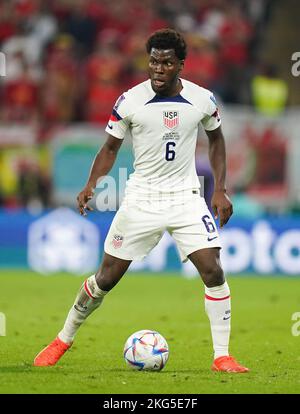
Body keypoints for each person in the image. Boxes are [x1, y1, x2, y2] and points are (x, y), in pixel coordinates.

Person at [34, 29, 249, 373]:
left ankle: (222, 356)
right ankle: (62, 339)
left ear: (180, 64)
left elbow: (217, 141)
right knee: (105, 278)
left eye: (166, 62)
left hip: (186, 197)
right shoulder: (129, 101)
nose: (158, 68)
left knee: (213, 269)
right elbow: (109, 148)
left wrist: (219, 189)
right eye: (153, 61)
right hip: (141, 198)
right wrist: (92, 184)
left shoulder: (203, 99)